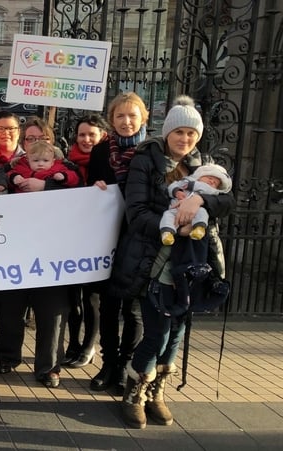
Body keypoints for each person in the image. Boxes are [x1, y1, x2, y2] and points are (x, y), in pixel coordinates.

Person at [112, 95, 235, 429]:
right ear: (167, 133)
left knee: (177, 331)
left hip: (192, 263)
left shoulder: (205, 163)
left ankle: (157, 392)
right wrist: (177, 228)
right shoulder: (145, 160)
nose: (185, 139)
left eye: (191, 133)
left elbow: (228, 200)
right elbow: (137, 213)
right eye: (179, 132)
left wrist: (199, 200)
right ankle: (134, 392)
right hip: (154, 260)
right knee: (157, 333)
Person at [0, 117, 71, 388]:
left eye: (42, 138)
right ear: (24, 142)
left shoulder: (65, 166)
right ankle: (6, 356)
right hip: (16, 249)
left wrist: (46, 186)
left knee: (52, 311)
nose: (36, 143)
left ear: (51, 141)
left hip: (53, 251)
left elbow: (78, 189)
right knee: (10, 307)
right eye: (30, 139)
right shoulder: (12, 167)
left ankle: (49, 367)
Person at [89, 92, 150, 393]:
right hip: (108, 238)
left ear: (143, 118)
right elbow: (89, 191)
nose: (126, 122)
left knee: (133, 310)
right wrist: (95, 187)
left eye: (132, 116)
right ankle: (109, 364)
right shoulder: (101, 151)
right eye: (120, 116)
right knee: (109, 306)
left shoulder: (151, 151)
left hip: (139, 239)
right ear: (111, 120)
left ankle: (126, 364)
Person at [62, 114, 111, 369]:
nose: (86, 139)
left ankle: (89, 346)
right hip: (71, 236)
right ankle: (73, 343)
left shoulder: (108, 163)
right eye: (82, 134)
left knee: (91, 297)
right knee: (72, 298)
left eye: (92, 134)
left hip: (96, 239)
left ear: (103, 136)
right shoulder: (68, 163)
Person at [160, 163, 232, 245]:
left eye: (215, 183)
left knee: (202, 213)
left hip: (195, 211)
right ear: (200, 176)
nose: (211, 181)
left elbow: (210, 191)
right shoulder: (186, 180)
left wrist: (193, 186)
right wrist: (176, 191)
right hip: (175, 208)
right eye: (210, 178)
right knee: (167, 215)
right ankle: (167, 233)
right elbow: (173, 185)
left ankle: (199, 228)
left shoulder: (210, 190)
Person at [8, 140, 81, 192]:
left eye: (45, 160)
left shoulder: (58, 168)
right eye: (36, 160)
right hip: (24, 200)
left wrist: (64, 176)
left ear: (52, 161)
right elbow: (9, 174)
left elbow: (74, 178)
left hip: (49, 200)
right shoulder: (22, 168)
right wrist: (14, 177)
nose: (40, 164)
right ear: (28, 160)